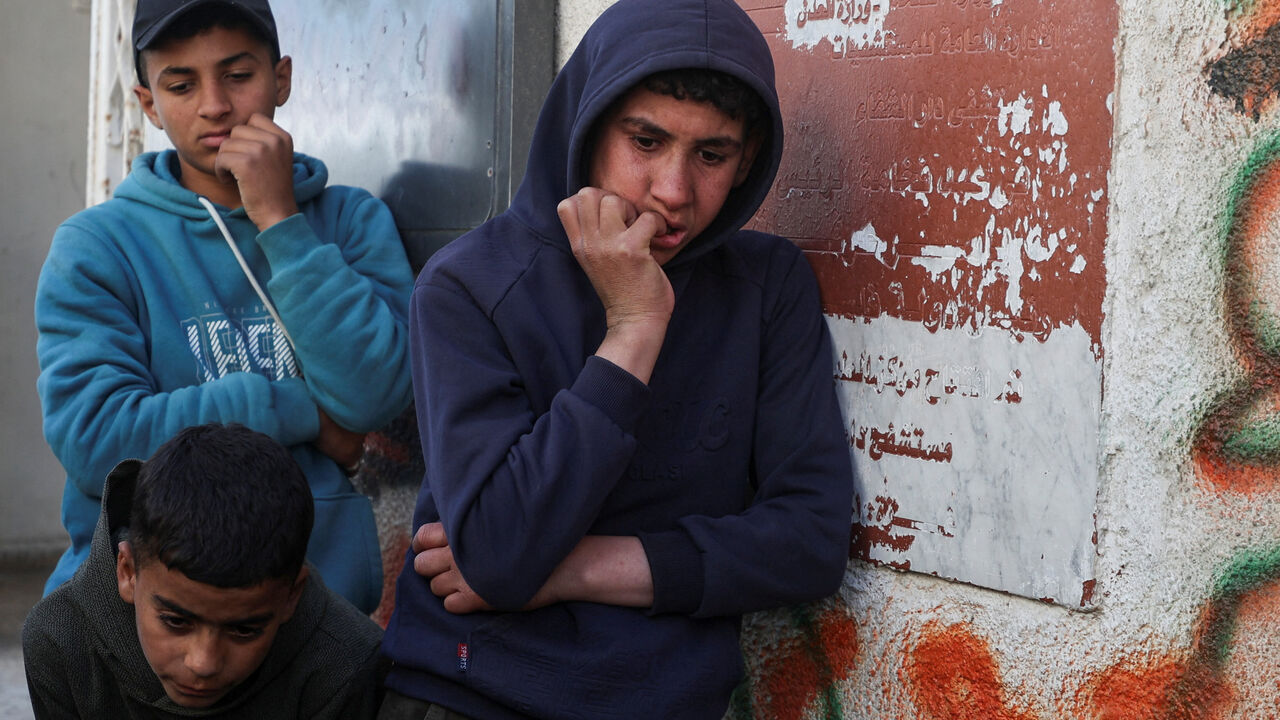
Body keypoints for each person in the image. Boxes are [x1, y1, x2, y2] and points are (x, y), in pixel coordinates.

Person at [379, 0, 854, 717]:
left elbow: (810, 540)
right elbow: (501, 552)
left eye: (712, 155)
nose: (673, 191)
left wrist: (573, 569)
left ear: (748, 156)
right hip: (469, 695)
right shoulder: (467, 285)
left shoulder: (767, 287)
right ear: (588, 124)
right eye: (646, 141)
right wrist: (633, 327)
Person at [34, 0, 413, 612]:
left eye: (238, 75)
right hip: (150, 619)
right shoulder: (98, 246)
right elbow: (99, 442)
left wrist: (279, 219)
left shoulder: (350, 221)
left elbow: (373, 394)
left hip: (318, 612)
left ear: (281, 78)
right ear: (148, 104)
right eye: (181, 85)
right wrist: (304, 414)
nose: (214, 104)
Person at [22, 423, 385, 719]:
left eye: (244, 630)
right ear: (128, 571)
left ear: (291, 595)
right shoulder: (61, 641)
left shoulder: (345, 664)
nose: (204, 663)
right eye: (176, 621)